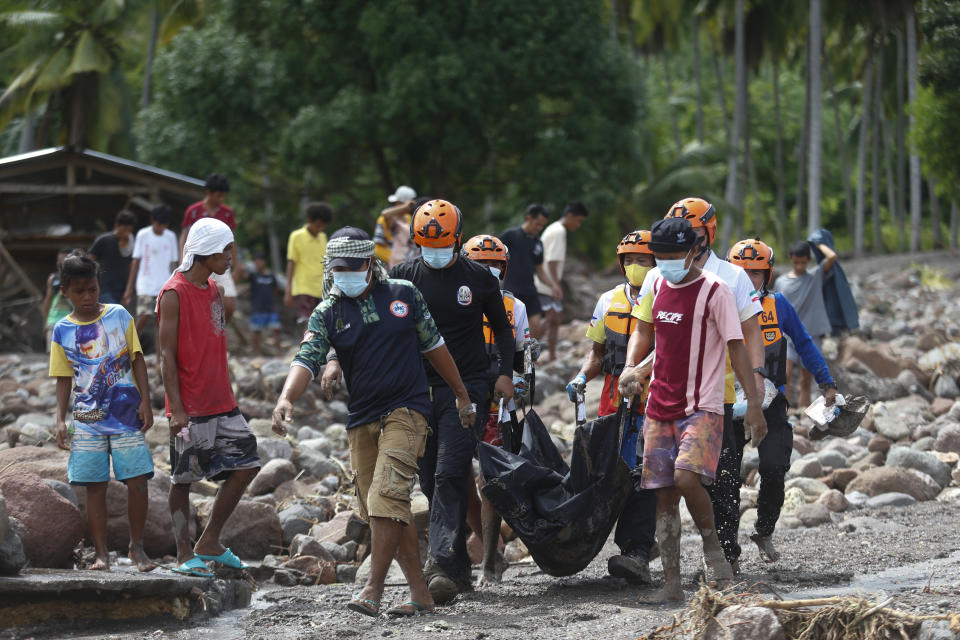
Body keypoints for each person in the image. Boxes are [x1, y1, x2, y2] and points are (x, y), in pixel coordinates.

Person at [273, 227, 474, 618]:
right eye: (337, 268)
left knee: (387, 496)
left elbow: (435, 347)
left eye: (351, 267)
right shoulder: (329, 310)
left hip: (408, 410)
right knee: (383, 508)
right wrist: (285, 397)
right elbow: (307, 356)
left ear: (369, 264)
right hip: (361, 417)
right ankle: (420, 593)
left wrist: (462, 394)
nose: (343, 274)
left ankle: (373, 588)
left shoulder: (404, 294)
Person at [617, 218, 766, 603]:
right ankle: (671, 584)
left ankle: (715, 553)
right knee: (663, 496)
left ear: (692, 251)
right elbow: (657, 345)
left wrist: (754, 405)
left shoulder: (716, 291)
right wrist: (634, 371)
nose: (665, 263)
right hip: (659, 407)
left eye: (671, 256)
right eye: (659, 257)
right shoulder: (657, 286)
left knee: (686, 479)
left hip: (703, 405)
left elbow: (737, 346)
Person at [388, 199, 515, 604]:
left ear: (457, 240)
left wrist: (505, 374)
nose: (435, 252)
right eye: (427, 245)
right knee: (430, 477)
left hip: (469, 388)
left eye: (442, 244)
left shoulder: (478, 278)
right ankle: (458, 566)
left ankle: (439, 563)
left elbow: (503, 330)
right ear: (416, 241)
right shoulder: (403, 276)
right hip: (417, 389)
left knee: (450, 470)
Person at [158, 217, 264, 578]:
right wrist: (176, 410)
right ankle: (183, 553)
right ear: (206, 253)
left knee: (247, 463)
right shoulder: (173, 293)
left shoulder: (215, 290)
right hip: (189, 407)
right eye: (227, 251)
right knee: (183, 479)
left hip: (222, 401)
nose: (231, 257)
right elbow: (165, 356)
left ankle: (209, 541)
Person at [729, 238, 838, 563]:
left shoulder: (778, 305)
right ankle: (725, 548)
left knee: (775, 469)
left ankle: (764, 531)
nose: (749, 280)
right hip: (727, 401)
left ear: (769, 274)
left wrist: (826, 383)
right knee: (724, 475)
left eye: (756, 274)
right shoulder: (718, 306)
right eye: (741, 273)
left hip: (771, 399)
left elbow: (804, 342)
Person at [49, 250, 156, 572]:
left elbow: (137, 358)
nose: (87, 297)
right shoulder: (61, 330)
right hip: (88, 417)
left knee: (137, 480)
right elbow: (64, 377)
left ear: (99, 285)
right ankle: (101, 555)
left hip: (126, 412)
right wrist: (59, 418)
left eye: (92, 289)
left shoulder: (119, 315)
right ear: (64, 291)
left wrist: (146, 401)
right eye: (79, 291)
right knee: (94, 486)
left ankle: (137, 549)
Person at [566, 230, 657, 584]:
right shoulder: (608, 300)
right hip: (612, 404)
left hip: (651, 402)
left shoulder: (664, 299)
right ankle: (620, 544)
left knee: (643, 473)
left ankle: (636, 551)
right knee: (608, 473)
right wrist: (580, 377)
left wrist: (637, 373)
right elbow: (597, 353)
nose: (635, 267)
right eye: (630, 261)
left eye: (643, 261)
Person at [461, 234, 531, 585]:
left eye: (495, 267)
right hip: (459, 399)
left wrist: (521, 389)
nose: (489, 271)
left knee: (489, 480)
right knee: (453, 475)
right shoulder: (453, 302)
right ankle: (464, 550)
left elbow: (523, 360)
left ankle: (490, 560)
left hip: (497, 408)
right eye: (480, 266)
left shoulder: (514, 308)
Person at [774, 238, 837, 407]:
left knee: (805, 379)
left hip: (811, 335)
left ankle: (803, 413)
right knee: (784, 375)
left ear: (808, 260)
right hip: (788, 336)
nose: (800, 266)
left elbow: (831, 257)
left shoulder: (815, 277)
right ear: (790, 259)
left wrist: (818, 243)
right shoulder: (781, 282)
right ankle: (783, 411)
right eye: (796, 262)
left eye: (803, 262)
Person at [180, 173, 242, 323]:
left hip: (221, 262)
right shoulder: (194, 211)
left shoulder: (227, 213)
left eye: (223, 196)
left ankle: (216, 333)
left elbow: (232, 240)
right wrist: (183, 261)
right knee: (195, 302)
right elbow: (185, 237)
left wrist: (237, 266)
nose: (221, 199)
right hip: (199, 263)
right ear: (208, 192)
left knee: (229, 305)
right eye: (218, 195)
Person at [534, 201, 589, 361]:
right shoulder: (559, 231)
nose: (578, 225)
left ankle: (551, 355)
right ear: (570, 216)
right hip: (546, 284)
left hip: (545, 283)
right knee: (550, 318)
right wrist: (556, 285)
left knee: (555, 318)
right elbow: (552, 260)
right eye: (578, 221)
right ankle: (529, 355)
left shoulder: (554, 228)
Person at [499, 204, 560, 339]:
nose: (539, 228)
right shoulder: (510, 236)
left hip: (531, 290)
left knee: (536, 326)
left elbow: (539, 270)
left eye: (542, 226)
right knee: (512, 329)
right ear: (528, 218)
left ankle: (531, 359)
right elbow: (494, 256)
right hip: (512, 290)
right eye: (537, 224)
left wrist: (553, 286)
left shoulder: (538, 243)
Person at [123, 204, 179, 334]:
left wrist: (175, 286)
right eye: (160, 224)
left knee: (161, 323)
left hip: (165, 285)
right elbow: (136, 261)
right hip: (146, 284)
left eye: (165, 225)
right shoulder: (143, 234)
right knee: (143, 316)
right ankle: (129, 350)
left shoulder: (170, 237)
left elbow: (173, 264)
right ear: (153, 220)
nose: (162, 228)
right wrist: (129, 288)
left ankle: (161, 355)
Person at [284, 201, 332, 324]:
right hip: (304, 287)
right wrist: (288, 290)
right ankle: (307, 343)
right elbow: (291, 262)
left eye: (323, 226)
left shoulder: (323, 237)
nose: (320, 228)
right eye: (318, 225)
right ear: (310, 220)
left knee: (323, 322)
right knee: (309, 322)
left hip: (321, 288)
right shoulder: (296, 236)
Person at [807, 228, 860, 337]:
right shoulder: (823, 267)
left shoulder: (830, 266)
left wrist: (818, 244)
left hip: (833, 318)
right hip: (826, 317)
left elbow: (831, 256)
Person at [89, 210, 137, 306]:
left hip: (122, 290)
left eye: (129, 230)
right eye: (124, 229)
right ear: (117, 225)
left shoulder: (132, 244)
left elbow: (133, 266)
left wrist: (129, 289)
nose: (127, 233)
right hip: (104, 289)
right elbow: (89, 260)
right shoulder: (104, 240)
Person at [374, 185, 417, 268]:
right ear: (399, 203)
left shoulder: (408, 218)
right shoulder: (385, 219)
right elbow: (378, 246)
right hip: (393, 263)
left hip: (408, 261)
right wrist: (394, 258)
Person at [249, 252, 282, 355]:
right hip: (257, 308)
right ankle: (256, 353)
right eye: (255, 262)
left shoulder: (271, 276)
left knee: (276, 329)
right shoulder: (253, 275)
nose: (257, 264)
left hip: (270, 307)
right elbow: (243, 274)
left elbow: (275, 290)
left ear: (264, 262)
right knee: (256, 331)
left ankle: (279, 351)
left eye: (259, 262)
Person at [42, 248, 73, 351]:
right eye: (59, 260)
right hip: (53, 322)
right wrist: (45, 322)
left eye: (64, 261)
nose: (60, 263)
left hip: (72, 323)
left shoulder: (77, 279)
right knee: (53, 355)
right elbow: (48, 300)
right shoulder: (53, 279)